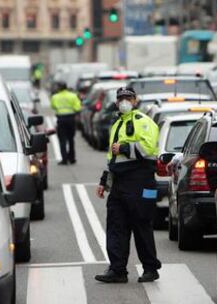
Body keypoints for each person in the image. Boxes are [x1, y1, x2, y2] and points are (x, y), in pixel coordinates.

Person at [95, 87, 162, 283]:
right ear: (117, 102)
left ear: (135, 100)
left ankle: (150, 268)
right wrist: (104, 182)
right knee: (116, 227)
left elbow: (149, 148)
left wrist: (124, 147)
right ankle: (117, 270)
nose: (124, 101)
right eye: (121, 98)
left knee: (142, 226)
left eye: (128, 98)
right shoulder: (117, 125)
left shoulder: (144, 122)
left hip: (141, 182)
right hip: (120, 184)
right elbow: (112, 159)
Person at [50, 82, 81, 165]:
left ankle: (64, 159)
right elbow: (77, 108)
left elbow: (53, 106)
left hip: (61, 119)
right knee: (71, 139)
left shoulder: (55, 97)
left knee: (62, 140)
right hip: (71, 119)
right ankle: (72, 158)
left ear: (59, 88)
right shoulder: (73, 96)